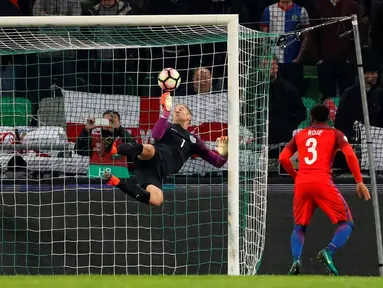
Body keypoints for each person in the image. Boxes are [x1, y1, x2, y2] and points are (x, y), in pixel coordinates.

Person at [279, 104, 371, 276]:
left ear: (311, 118)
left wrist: (296, 175)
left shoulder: (300, 134)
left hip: (302, 183)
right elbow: (350, 155)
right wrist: (359, 181)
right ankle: (328, 251)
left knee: (299, 226)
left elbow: (283, 157)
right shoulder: (335, 133)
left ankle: (296, 260)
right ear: (329, 118)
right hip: (322, 181)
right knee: (347, 223)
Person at [104, 92, 229, 207]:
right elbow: (156, 135)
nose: (177, 109)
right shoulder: (167, 126)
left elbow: (218, 162)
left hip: (154, 173)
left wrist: (224, 154)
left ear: (189, 117)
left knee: (157, 200)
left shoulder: (195, 141)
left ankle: (115, 182)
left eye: (182, 108)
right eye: (176, 108)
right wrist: (166, 112)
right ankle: (114, 149)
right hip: (154, 156)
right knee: (149, 149)